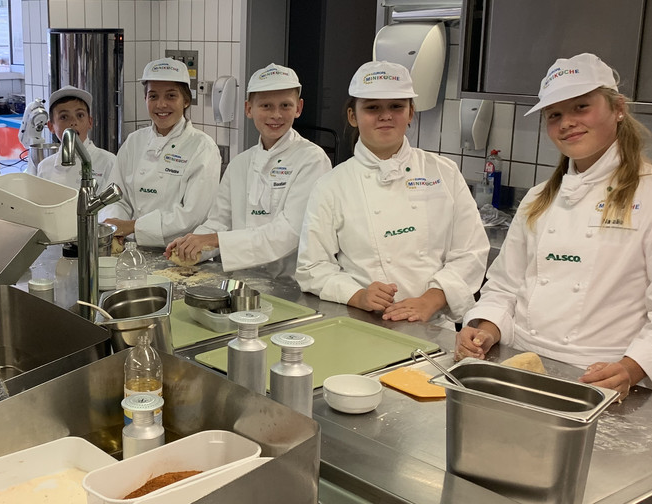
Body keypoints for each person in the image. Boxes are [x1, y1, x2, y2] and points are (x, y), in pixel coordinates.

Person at [456, 53, 652, 398]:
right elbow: (504, 287)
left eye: (581, 107)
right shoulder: (538, 198)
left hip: (600, 381)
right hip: (519, 366)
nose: (567, 123)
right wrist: (485, 329)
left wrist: (630, 369)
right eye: (555, 115)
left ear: (618, 108)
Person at [296, 61, 488, 324]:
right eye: (372, 107)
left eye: (396, 106)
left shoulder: (444, 172)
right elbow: (312, 267)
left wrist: (430, 300)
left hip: (432, 326)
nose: (385, 116)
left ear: (410, 113)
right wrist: (357, 295)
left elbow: (471, 251)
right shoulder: (331, 185)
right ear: (353, 116)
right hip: (363, 324)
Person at [165, 63, 330, 275]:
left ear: (298, 108)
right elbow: (219, 222)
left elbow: (289, 233)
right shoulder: (240, 164)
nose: (276, 114)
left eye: (285, 106)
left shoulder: (312, 160)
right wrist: (192, 245)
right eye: (266, 106)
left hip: (291, 283)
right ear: (248, 109)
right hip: (241, 281)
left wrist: (214, 240)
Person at [103, 58, 220, 247]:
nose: (161, 104)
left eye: (171, 96)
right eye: (153, 96)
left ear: (186, 101)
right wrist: (116, 227)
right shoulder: (134, 142)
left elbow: (193, 214)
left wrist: (133, 227)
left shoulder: (202, 147)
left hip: (179, 252)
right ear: (145, 99)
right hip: (130, 248)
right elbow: (116, 197)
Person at [35, 86, 117, 189]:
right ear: (51, 126)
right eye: (64, 117)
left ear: (90, 122)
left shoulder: (109, 162)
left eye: (80, 115)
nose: (73, 122)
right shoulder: (44, 167)